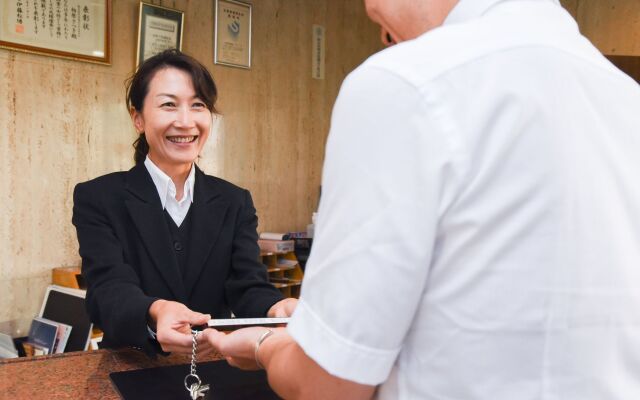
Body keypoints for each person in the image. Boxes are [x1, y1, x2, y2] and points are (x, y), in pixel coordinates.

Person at [204, 0, 640, 398]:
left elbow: (328, 385)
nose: (384, 38)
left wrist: (266, 345)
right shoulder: (624, 96)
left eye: (379, 22)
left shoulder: (406, 81)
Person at [72, 49, 296, 356]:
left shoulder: (235, 201)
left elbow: (247, 285)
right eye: (168, 105)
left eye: (198, 105)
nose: (186, 121)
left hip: (212, 366)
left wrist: (275, 307)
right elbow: (107, 290)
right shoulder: (99, 197)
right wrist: (156, 310)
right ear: (138, 118)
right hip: (131, 367)